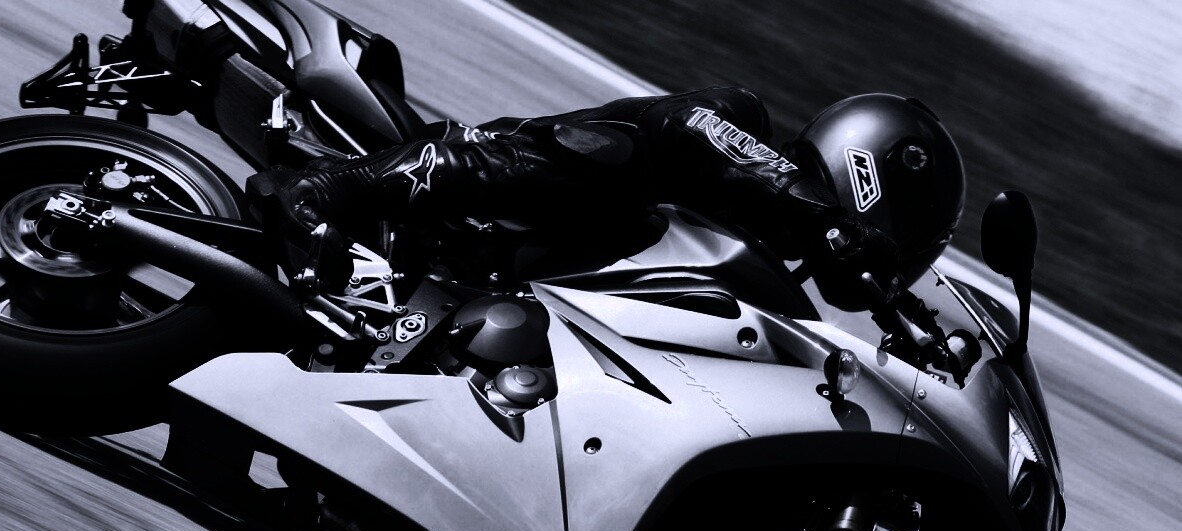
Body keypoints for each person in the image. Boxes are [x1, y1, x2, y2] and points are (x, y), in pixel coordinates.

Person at [248, 86, 965, 311]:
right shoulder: (737, 124)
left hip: (522, 289)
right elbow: (691, 129)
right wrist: (827, 218)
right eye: (909, 229)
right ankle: (326, 188)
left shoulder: (767, 273)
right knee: (617, 157)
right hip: (493, 189)